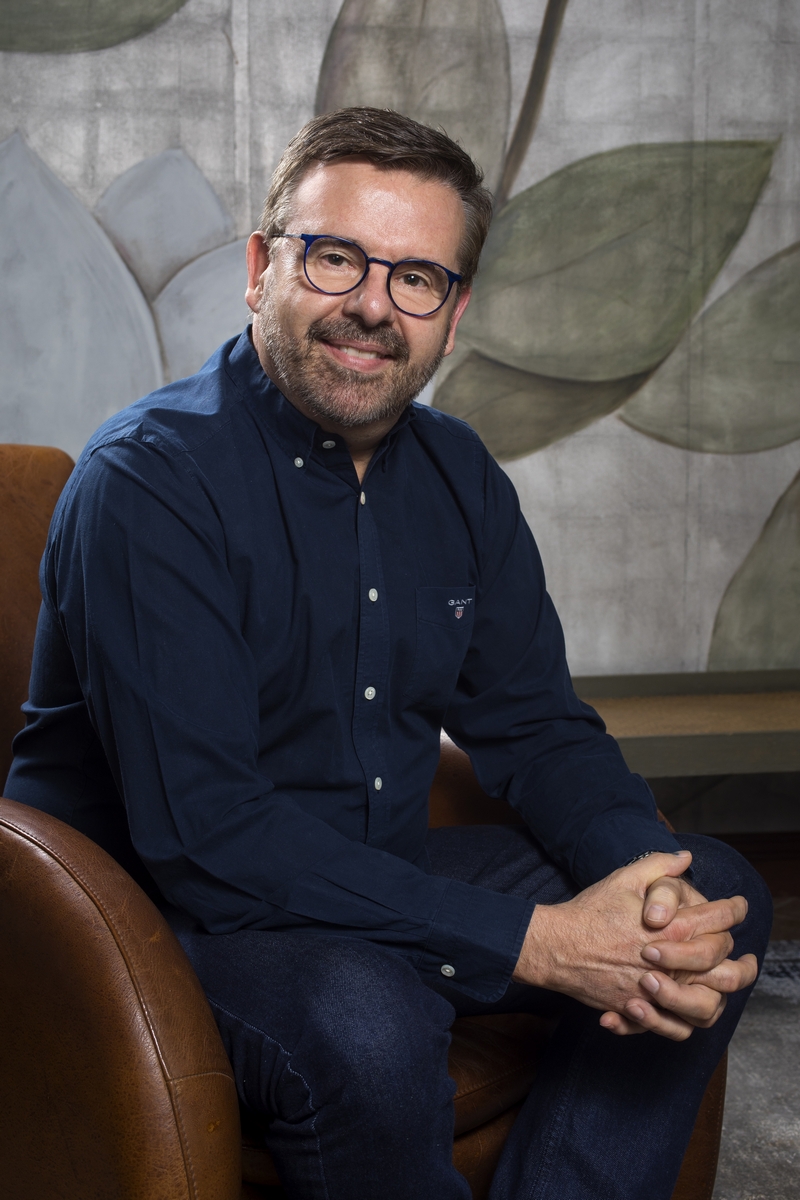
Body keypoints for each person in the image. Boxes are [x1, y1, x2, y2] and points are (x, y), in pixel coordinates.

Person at [5, 107, 770, 1200]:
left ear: (452, 316)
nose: (372, 305)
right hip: (149, 919)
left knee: (717, 893)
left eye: (416, 278)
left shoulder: (460, 478)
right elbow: (207, 837)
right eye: (336, 258)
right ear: (262, 270)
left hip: (367, 870)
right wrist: (538, 942)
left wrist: (648, 894)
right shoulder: (148, 484)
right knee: (368, 1016)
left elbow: (538, 729)